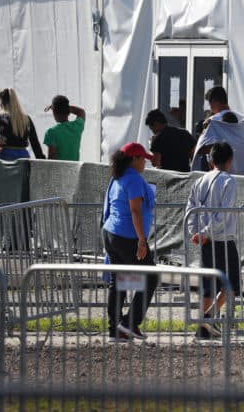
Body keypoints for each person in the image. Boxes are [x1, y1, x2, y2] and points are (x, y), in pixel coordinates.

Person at [101, 142, 159, 342]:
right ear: (134, 159)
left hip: (111, 232)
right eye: (143, 159)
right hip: (128, 236)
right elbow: (135, 210)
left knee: (119, 280)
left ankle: (115, 328)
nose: (145, 163)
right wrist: (142, 240)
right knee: (151, 277)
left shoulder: (118, 176)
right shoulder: (134, 178)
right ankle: (129, 323)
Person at [186, 141, 240, 340]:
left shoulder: (199, 181)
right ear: (230, 160)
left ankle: (204, 325)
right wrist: (206, 232)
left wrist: (196, 231)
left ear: (210, 160)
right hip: (223, 239)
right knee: (231, 285)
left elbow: (190, 207)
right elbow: (224, 214)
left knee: (209, 285)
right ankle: (207, 319)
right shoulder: (229, 181)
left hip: (205, 240)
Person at [191, 86, 244, 175]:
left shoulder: (213, 121)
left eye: (210, 104)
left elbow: (200, 150)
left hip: (223, 177)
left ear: (214, 101)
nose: (211, 108)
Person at [0, 88, 44, 160]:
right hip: (23, 155)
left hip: (6, 154)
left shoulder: (0, 117)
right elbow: (35, 143)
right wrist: (41, 159)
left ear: (2, 103)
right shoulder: (26, 119)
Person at [42, 95, 86, 161]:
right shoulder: (77, 127)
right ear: (68, 112)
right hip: (75, 170)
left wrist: (57, 107)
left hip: (58, 171)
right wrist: (65, 107)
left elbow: (51, 161)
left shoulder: (51, 132)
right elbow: (81, 111)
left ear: (54, 112)